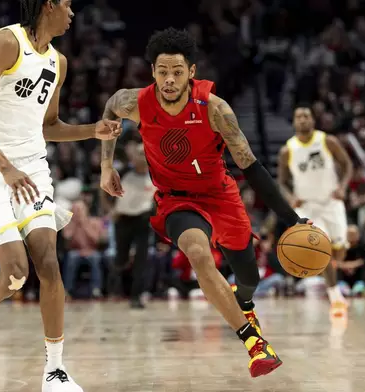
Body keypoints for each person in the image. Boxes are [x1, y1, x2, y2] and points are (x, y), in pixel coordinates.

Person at [99, 27, 311, 378]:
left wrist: (291, 219)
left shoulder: (215, 109)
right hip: (176, 201)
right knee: (198, 253)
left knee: (249, 279)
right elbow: (110, 107)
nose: (169, 80)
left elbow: (253, 168)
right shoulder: (134, 102)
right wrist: (106, 164)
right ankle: (254, 343)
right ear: (152, 71)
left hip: (220, 195)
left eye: (177, 72)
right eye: (162, 72)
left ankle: (241, 301)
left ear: (192, 73)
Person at [0, 1, 120, 390]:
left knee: (48, 264)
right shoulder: (7, 41)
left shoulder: (58, 61)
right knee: (16, 273)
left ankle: (54, 370)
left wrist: (93, 130)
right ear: (49, 5)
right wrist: (5, 168)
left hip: (32, 169)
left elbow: (49, 126)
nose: (73, 13)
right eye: (68, 5)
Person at [277, 107, 354, 317]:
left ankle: (333, 281)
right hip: (307, 206)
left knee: (340, 251)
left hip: (331, 202)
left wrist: (343, 187)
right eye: (299, 116)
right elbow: (281, 182)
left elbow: (347, 165)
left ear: (313, 120)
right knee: (322, 248)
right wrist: (291, 197)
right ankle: (335, 297)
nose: (303, 120)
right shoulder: (288, 150)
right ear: (294, 122)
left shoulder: (327, 141)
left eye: (306, 116)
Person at [111, 143, 155, 308]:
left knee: (141, 260)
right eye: (138, 154)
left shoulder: (154, 176)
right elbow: (103, 191)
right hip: (123, 219)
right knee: (121, 258)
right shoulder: (123, 173)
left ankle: (136, 296)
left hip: (143, 221)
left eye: (144, 154)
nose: (141, 157)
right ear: (133, 157)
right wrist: (110, 209)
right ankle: (115, 289)